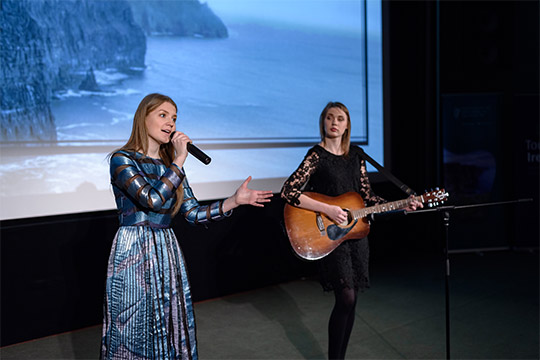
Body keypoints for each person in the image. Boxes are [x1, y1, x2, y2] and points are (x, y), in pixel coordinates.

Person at [101, 93, 273, 360]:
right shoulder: (122, 160)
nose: (171, 123)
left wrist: (234, 201)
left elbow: (193, 213)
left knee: (168, 325)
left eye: (174, 118)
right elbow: (152, 199)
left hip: (166, 249)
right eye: (163, 115)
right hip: (133, 251)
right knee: (132, 325)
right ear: (142, 118)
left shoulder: (172, 168)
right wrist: (178, 161)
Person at [280, 102, 422, 360]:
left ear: (347, 125)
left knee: (352, 300)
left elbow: (368, 199)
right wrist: (329, 210)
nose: (335, 122)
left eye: (341, 119)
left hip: (355, 235)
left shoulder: (356, 157)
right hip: (329, 235)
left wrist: (403, 206)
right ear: (323, 122)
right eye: (330, 117)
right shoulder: (316, 156)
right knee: (345, 298)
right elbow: (289, 191)